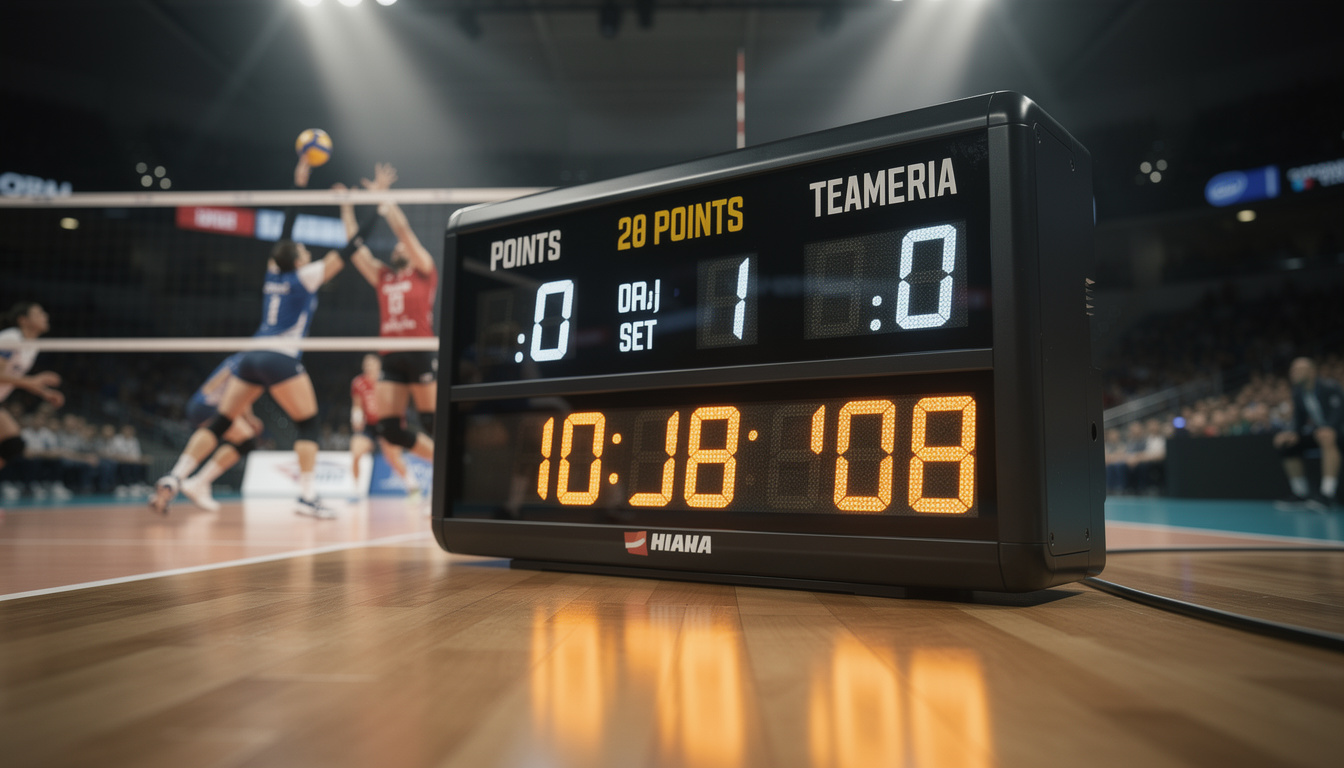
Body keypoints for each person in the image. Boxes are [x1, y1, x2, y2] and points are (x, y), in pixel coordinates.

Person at [151, 157, 384, 518]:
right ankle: (307, 496)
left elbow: (284, 232)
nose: (305, 250)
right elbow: (352, 246)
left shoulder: (274, 272)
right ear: (299, 259)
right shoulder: (306, 276)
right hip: (279, 357)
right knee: (308, 424)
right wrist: (376, 206)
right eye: (303, 250)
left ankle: (176, 475)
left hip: (251, 355)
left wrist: (298, 184)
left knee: (222, 421)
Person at [337, 165, 437, 491]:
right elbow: (355, 251)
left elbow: (404, 232)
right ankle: (440, 464)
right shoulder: (384, 276)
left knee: (432, 422)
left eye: (401, 247)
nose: (397, 247)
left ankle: (451, 469)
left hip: (419, 351)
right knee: (389, 430)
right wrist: (347, 208)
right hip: (391, 355)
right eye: (395, 247)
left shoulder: (424, 271)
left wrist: (383, 198)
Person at [162, 353, 265, 511]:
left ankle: (178, 481)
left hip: (198, 402)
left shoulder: (237, 358)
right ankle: (194, 481)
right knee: (247, 441)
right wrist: (249, 418)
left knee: (243, 440)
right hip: (213, 407)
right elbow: (239, 393)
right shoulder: (253, 361)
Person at [0, 303, 64, 479]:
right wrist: (32, 381)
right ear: (23, 320)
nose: (45, 316)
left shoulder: (32, 346)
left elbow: (13, 378)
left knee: (13, 445)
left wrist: (44, 392)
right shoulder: (11, 338)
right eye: (38, 313)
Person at [1273, 356, 1342, 508]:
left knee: (1327, 436)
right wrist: (1291, 433)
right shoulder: (1298, 393)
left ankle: (1327, 494)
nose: (1293, 373)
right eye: (1292, 370)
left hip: (1338, 432)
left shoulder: (1330, 387)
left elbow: (1339, 412)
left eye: (1297, 369)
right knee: (1287, 445)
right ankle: (1300, 493)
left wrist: (1331, 427)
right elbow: (1299, 420)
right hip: (1320, 433)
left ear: (1311, 372)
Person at [349, 353, 419, 499]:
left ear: (379, 365)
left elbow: (398, 404)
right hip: (369, 425)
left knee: (393, 459)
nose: (369, 367)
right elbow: (357, 405)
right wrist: (356, 417)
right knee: (356, 453)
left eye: (372, 364)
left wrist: (399, 423)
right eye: (366, 364)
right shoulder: (358, 382)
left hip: (387, 423)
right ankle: (355, 491)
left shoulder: (387, 381)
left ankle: (413, 488)